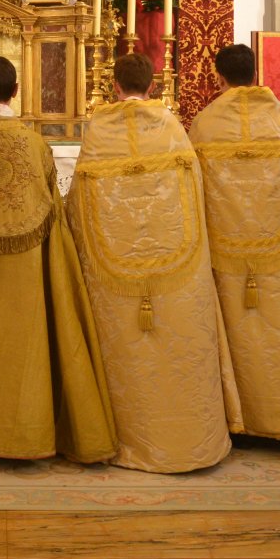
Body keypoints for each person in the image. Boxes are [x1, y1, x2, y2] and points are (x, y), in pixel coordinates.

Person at [0, 57, 116, 463]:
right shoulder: (35, 147)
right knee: (19, 350)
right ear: (15, 92)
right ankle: (23, 436)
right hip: (22, 272)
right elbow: (52, 212)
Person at [66, 53, 237, 472]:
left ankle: (127, 436)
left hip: (115, 266)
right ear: (153, 86)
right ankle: (189, 437)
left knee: (125, 351)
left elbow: (78, 205)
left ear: (113, 87)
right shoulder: (172, 128)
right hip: (173, 263)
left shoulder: (99, 132)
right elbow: (196, 191)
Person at [188, 45, 280, 441]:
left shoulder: (206, 124)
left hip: (225, 250)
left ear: (218, 76)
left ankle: (237, 419)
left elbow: (194, 190)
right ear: (254, 73)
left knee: (237, 333)